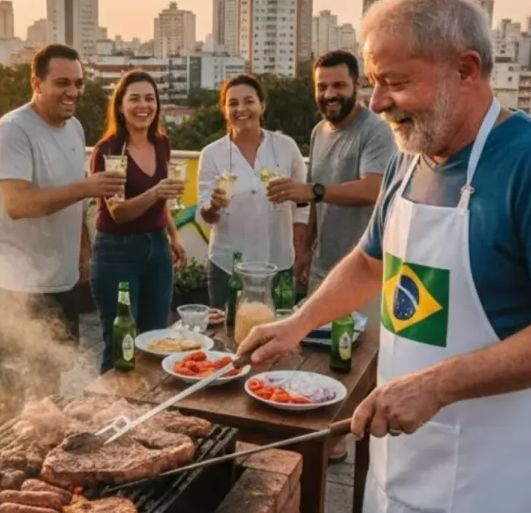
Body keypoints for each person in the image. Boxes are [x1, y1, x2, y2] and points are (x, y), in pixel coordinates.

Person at [238, 0, 531, 513]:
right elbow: (370, 261)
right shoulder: (410, 159)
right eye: (374, 83)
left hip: (512, 480)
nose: (378, 101)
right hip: (411, 459)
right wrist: (296, 322)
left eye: (395, 81)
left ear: (465, 69)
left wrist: (437, 385)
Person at [0, 44, 126, 426]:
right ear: (36, 82)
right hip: (17, 283)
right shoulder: (13, 131)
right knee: (13, 382)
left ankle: (39, 452)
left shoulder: (74, 127)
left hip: (59, 278)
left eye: (78, 83)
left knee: (50, 376)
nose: (73, 92)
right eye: (62, 83)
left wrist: (83, 251)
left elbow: (71, 196)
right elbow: (17, 203)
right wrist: (87, 186)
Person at [271, 49, 397, 463]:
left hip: (366, 267)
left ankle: (357, 438)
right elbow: (318, 202)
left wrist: (313, 191)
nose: (330, 93)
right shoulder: (318, 132)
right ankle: (330, 433)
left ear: (357, 85)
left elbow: (373, 187)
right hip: (327, 263)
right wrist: (305, 251)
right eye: (322, 86)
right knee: (324, 354)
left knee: (358, 356)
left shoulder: (375, 131)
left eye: (339, 85)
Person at [88, 70, 187, 373]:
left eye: (149, 98)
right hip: (117, 254)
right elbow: (118, 212)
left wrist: (173, 236)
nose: (143, 105)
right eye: (134, 99)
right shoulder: (108, 150)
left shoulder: (162, 144)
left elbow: (164, 201)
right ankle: (110, 413)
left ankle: (147, 416)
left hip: (156, 250)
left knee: (157, 340)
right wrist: (156, 191)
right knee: (122, 342)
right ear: (120, 105)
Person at [197, 74, 310, 308]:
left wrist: (301, 247)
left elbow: (304, 202)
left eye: (248, 101)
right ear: (224, 109)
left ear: (262, 105)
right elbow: (205, 214)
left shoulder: (285, 147)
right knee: (226, 333)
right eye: (233, 103)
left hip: (278, 260)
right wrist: (214, 206)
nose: (241, 109)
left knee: (277, 333)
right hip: (228, 265)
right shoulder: (211, 154)